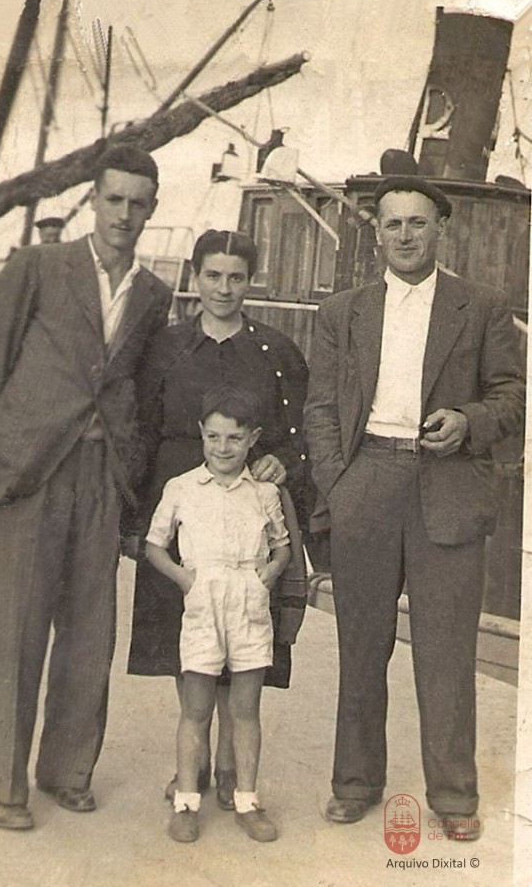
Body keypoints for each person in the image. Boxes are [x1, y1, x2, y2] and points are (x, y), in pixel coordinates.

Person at [304, 175, 524, 840]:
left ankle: (454, 797)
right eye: (393, 223)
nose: (405, 235)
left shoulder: (482, 307)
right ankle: (354, 783)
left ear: (440, 230)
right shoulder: (342, 312)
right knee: (361, 647)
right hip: (366, 480)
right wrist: (339, 485)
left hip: (448, 487)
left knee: (447, 652)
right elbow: (321, 408)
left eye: (418, 223)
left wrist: (468, 421)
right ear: (377, 233)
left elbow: (513, 397)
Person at [0, 145, 172, 830]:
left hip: (102, 472)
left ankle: (67, 770)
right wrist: (19, 438)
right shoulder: (38, 265)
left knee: (90, 629)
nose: (124, 213)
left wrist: (125, 459)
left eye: (137, 202)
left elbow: (140, 384)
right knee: (16, 625)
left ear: (152, 208)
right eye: (113, 198)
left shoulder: (153, 293)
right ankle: (0, 786)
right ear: (93, 199)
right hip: (35, 466)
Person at [127, 229, 311, 810]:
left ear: (251, 280)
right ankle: (195, 763)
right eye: (213, 275)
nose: (224, 288)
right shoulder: (166, 346)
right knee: (187, 635)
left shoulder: (275, 351)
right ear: (196, 276)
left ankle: (232, 764)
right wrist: (136, 515)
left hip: (246, 514)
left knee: (243, 634)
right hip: (180, 504)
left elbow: (302, 430)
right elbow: (141, 427)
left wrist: (284, 461)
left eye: (236, 277)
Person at [146, 385, 291, 843]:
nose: (222, 448)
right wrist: (185, 579)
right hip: (203, 600)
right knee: (196, 709)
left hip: (248, 600)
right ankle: (187, 801)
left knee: (245, 709)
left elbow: (282, 547)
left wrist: (266, 577)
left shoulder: (265, 493)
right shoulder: (181, 488)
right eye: (213, 437)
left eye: (234, 438)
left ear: (253, 439)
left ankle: (247, 800)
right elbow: (154, 546)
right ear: (201, 434)